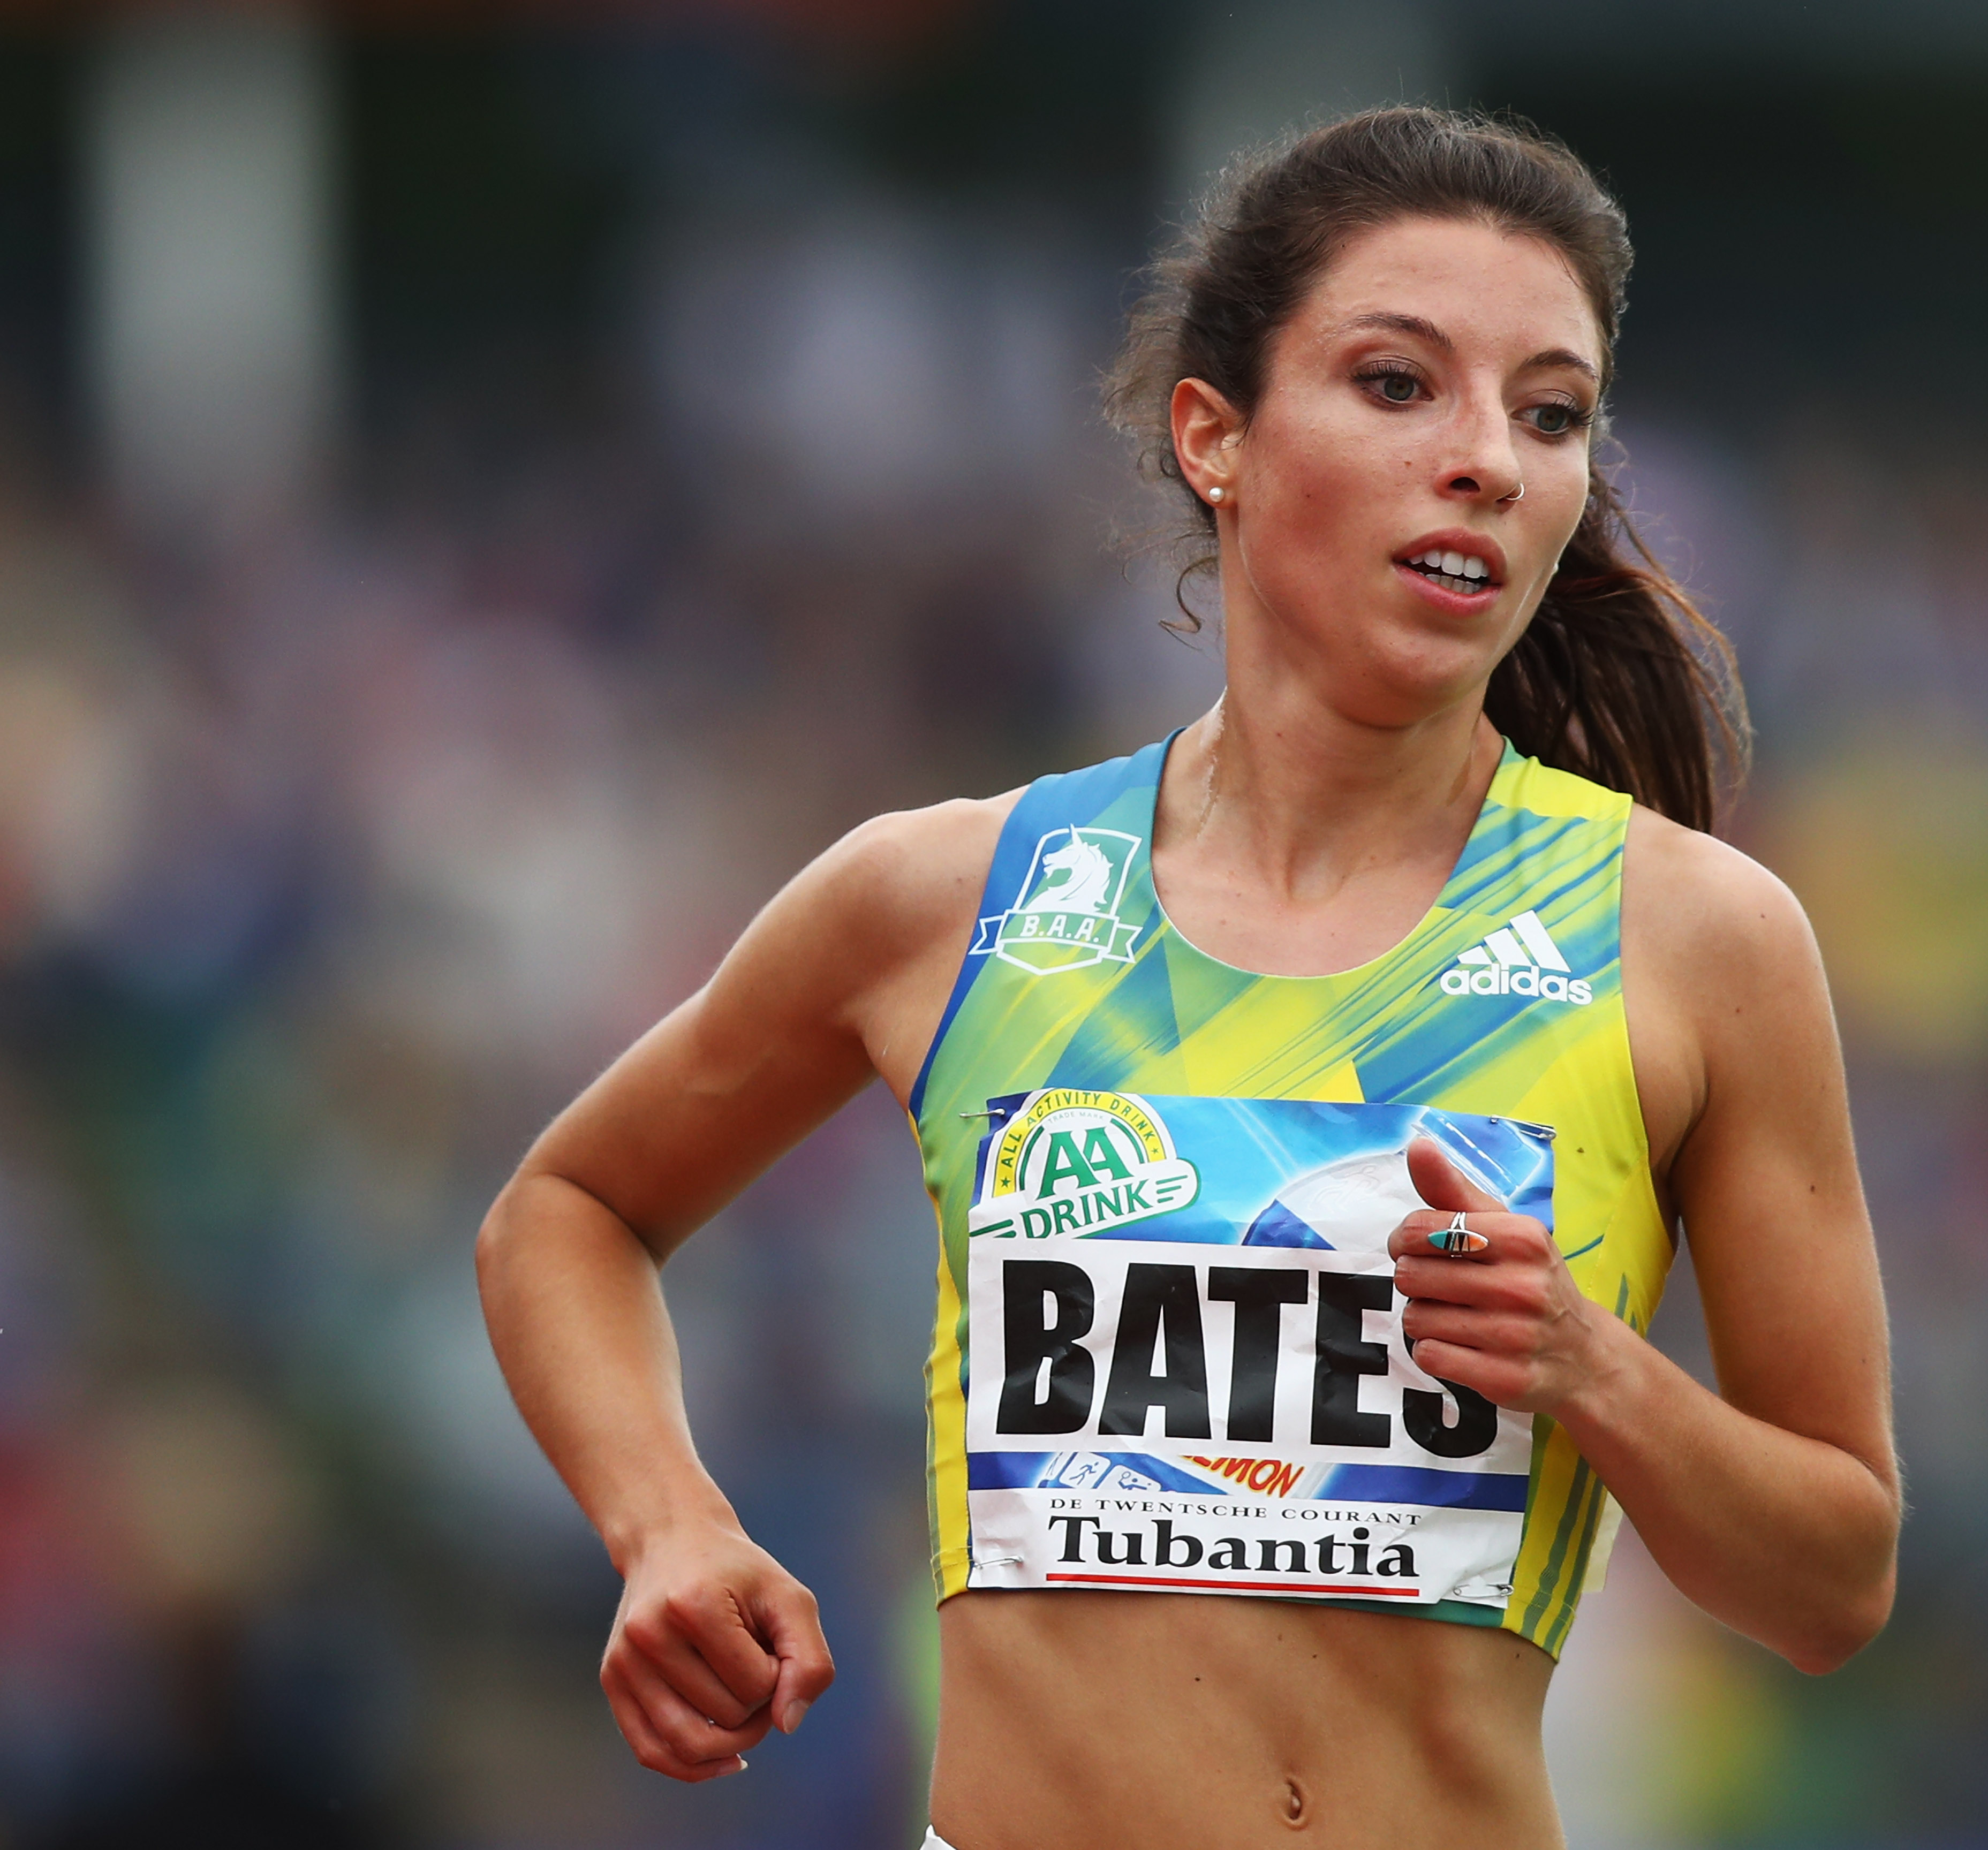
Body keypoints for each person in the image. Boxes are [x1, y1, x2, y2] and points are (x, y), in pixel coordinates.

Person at [477, 106, 1898, 1850]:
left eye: (1551, 415)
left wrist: (1597, 1373)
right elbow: (568, 1210)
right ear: (1214, 439)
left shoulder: (1695, 940)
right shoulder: (950, 896)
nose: (1487, 461)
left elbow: (1836, 1576)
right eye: (1399, 384)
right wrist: (668, 1522)